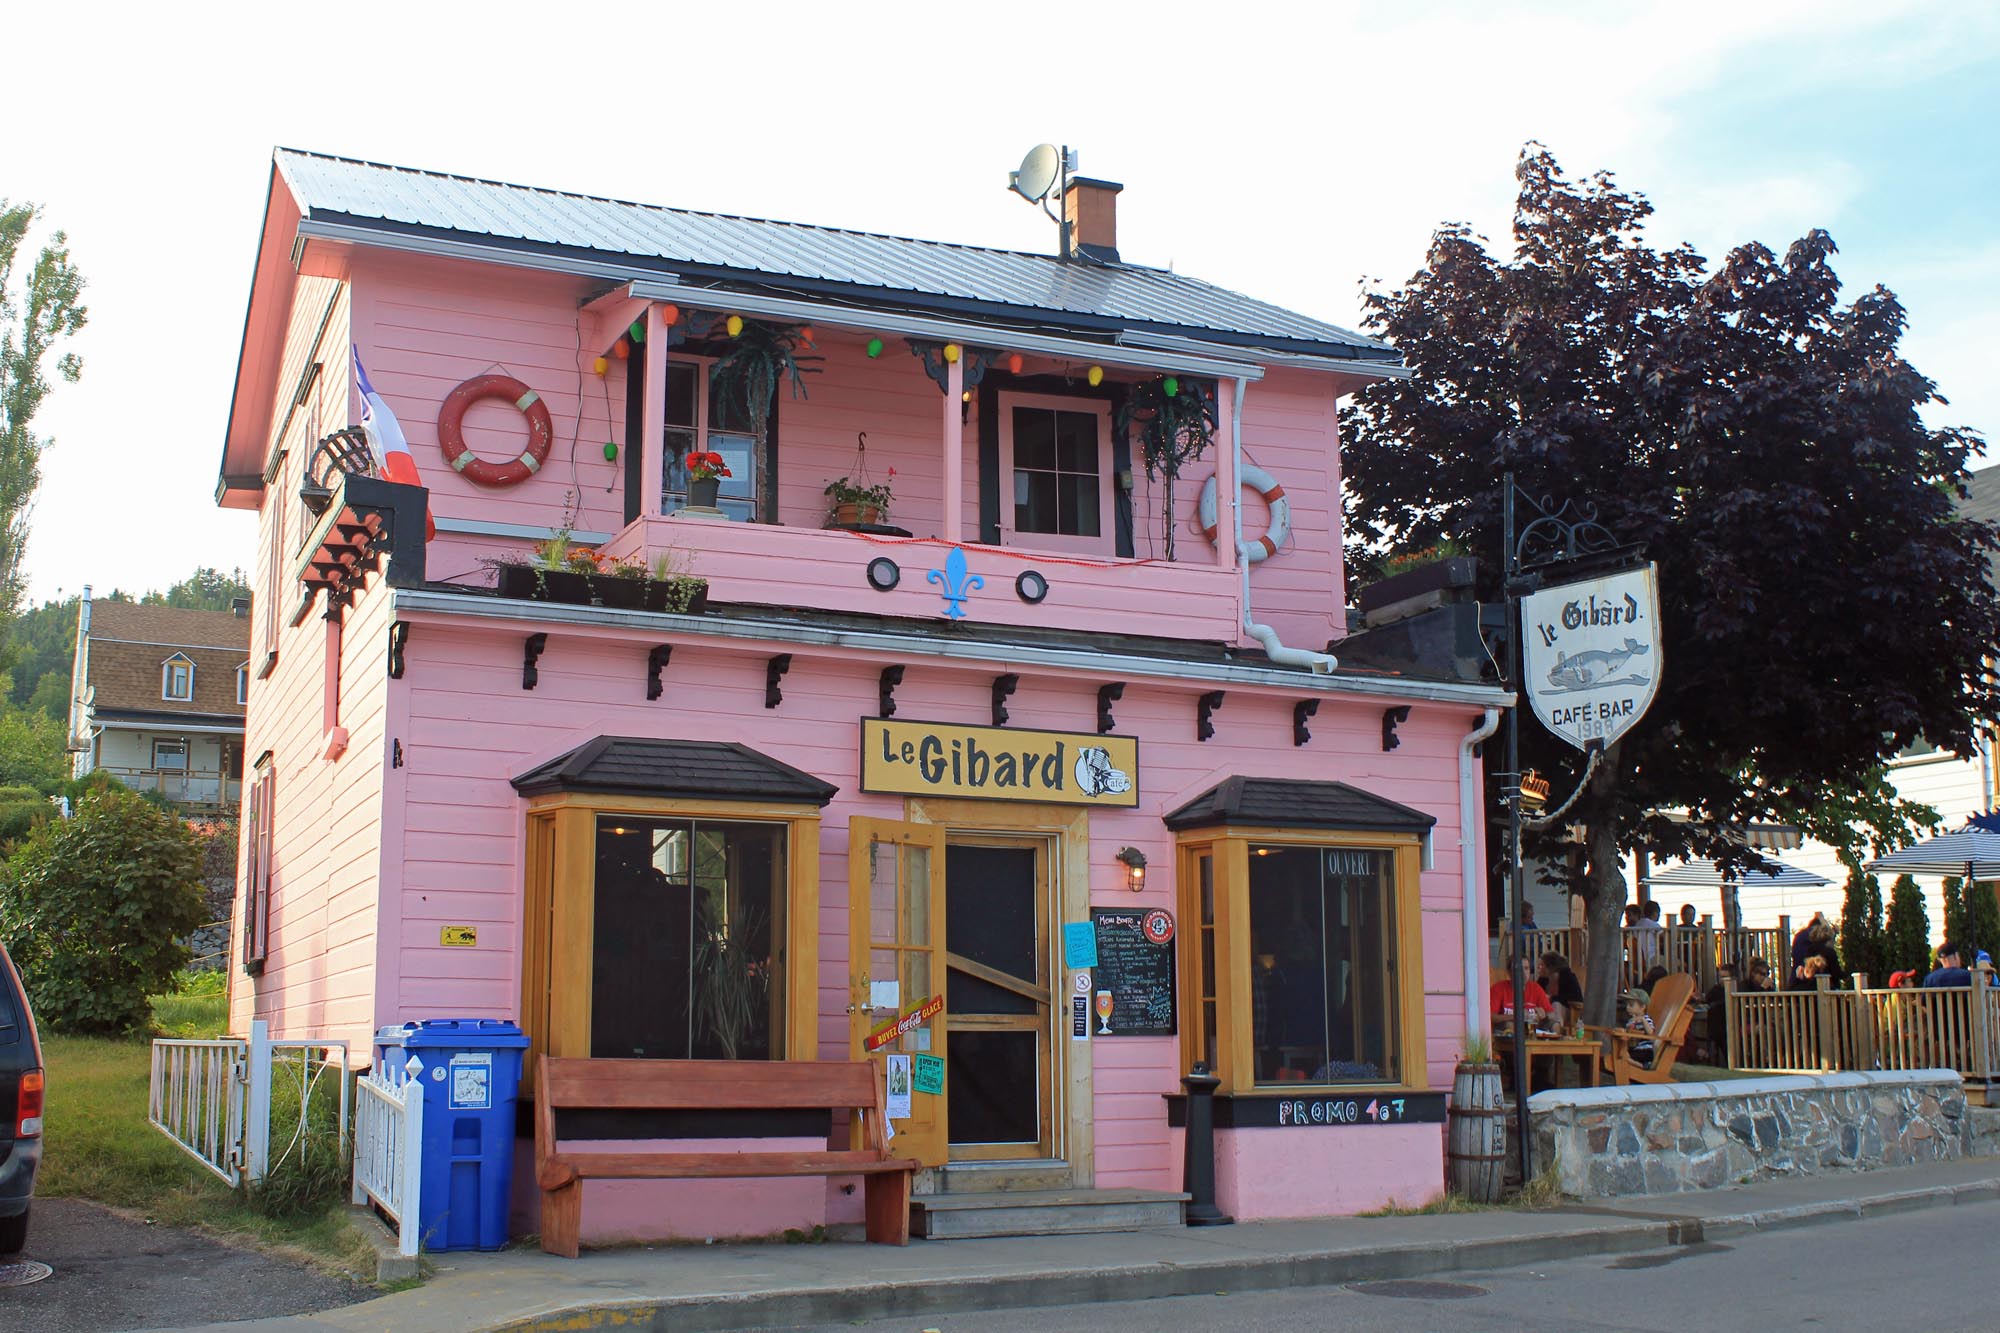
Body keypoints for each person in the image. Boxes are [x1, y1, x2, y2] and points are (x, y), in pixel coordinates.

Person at [1537, 951, 1585, 1029]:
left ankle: (1556, 1031)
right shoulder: (1542, 980)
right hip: (1547, 1010)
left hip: (1568, 1010)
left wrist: (1552, 998)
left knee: (1556, 1005)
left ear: (1551, 966)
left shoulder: (1568, 977)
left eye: (1541, 965)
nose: (1538, 967)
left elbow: (1577, 997)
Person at [1621, 987, 1657, 1066]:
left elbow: (1651, 1033)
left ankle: (1642, 1066)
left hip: (1645, 1050)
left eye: (1631, 1005)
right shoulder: (1630, 1021)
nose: (1627, 1007)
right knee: (1622, 1053)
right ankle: (1634, 1062)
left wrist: (1643, 1021)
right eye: (1627, 1004)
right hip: (1635, 1049)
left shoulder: (1646, 1019)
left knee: (1625, 1056)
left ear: (1642, 1007)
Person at [1631, 901, 1665, 970]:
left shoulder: (1639, 923)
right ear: (1654, 912)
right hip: (1652, 958)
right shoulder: (1652, 924)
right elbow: (1666, 937)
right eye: (1658, 913)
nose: (1659, 915)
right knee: (1679, 963)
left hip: (1640, 960)